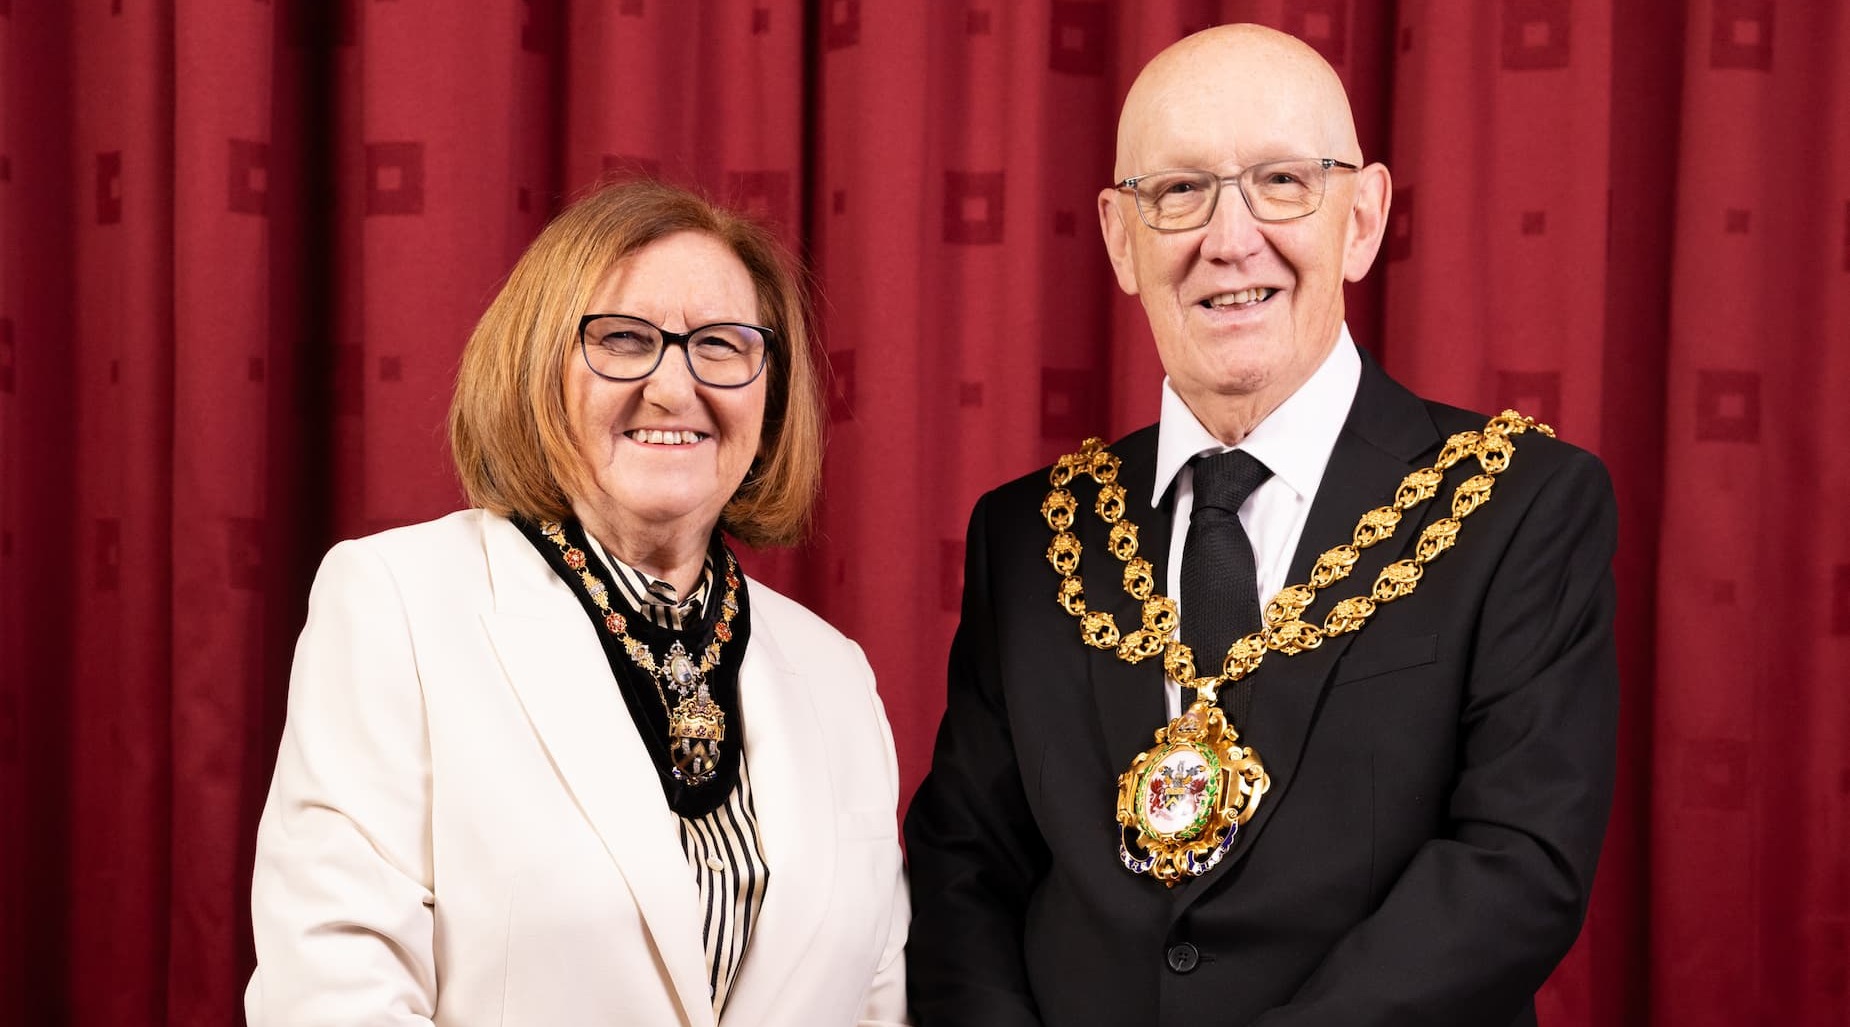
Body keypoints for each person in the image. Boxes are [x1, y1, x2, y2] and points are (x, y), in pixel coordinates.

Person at [903, 23, 1617, 1027]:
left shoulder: (1517, 502)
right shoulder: (1028, 536)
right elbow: (960, 872)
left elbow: (1513, 865)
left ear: (1360, 218)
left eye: (1281, 181)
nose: (1228, 238)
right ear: (1119, 236)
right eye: (1178, 191)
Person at [246, 179, 909, 1026]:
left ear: (769, 389)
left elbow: (878, 1004)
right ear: (537, 367)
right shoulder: (396, 606)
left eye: (723, 345)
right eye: (625, 340)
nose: (676, 388)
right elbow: (331, 993)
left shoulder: (837, 674)